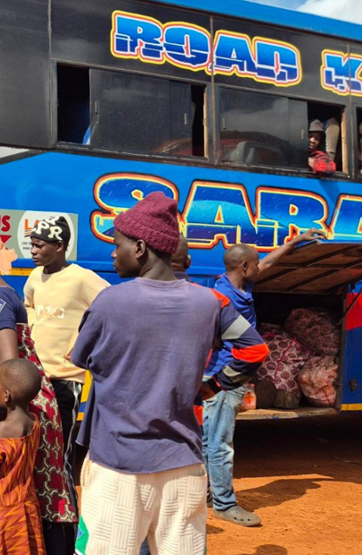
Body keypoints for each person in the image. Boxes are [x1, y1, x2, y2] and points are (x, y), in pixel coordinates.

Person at [70, 192, 269, 555]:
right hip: (185, 466)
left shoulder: (110, 301)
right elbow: (254, 350)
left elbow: (79, 357)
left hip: (118, 466)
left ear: (140, 248)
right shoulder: (210, 302)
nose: (113, 254)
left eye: (117, 245)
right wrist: (212, 387)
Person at [0, 229, 77, 554]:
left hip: (22, 405)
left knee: (34, 489)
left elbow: (8, 361)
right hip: (30, 400)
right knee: (36, 489)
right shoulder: (6, 294)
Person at [204, 228, 324, 528]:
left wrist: (295, 241)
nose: (260, 268)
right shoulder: (223, 296)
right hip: (225, 377)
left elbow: (269, 262)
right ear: (244, 267)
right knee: (219, 442)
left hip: (227, 374)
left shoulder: (240, 285)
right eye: (255, 264)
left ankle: (207, 494)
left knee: (209, 440)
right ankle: (224, 504)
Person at [23, 215, 108, 511]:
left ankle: (66, 518)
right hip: (35, 379)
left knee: (60, 454)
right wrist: (33, 327)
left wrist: (84, 341)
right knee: (38, 451)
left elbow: (109, 308)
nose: (33, 251)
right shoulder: (35, 277)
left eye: (39, 245)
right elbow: (28, 305)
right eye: (32, 245)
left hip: (65, 381)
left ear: (59, 246)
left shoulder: (82, 278)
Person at [0, 358, 45, 555]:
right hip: (27, 507)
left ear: (6, 395)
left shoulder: (3, 429)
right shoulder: (34, 422)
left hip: (3, 513)